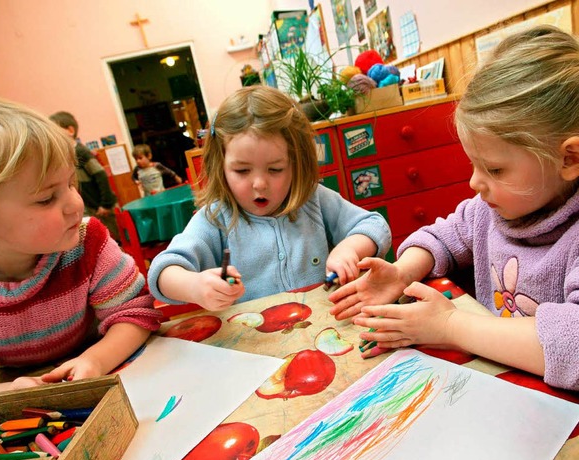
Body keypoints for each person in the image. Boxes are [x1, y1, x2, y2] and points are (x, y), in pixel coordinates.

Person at [329, 25, 579, 391]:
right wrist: (402, 272)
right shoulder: (490, 209)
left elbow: (572, 345)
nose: (475, 183)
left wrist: (449, 326)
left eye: (494, 169)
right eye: (473, 164)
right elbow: (442, 236)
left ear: (569, 158)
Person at [0, 94, 163, 412]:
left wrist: (95, 360)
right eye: (47, 198)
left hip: (109, 369)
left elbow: (135, 313)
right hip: (22, 403)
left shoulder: (88, 241)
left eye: (71, 184)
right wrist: (7, 394)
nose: (76, 204)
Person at [147, 85, 391, 311]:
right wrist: (195, 286)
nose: (259, 184)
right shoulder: (215, 219)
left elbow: (374, 225)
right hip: (257, 346)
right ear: (220, 167)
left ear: (297, 163)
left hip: (325, 329)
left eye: (275, 169)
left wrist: (349, 248)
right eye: (242, 171)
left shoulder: (314, 199)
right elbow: (162, 271)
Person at [48, 111, 120, 241]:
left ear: (70, 130)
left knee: (113, 237)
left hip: (101, 205)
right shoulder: (66, 154)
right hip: (89, 206)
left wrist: (105, 204)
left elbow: (101, 175)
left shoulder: (81, 152)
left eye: (55, 130)